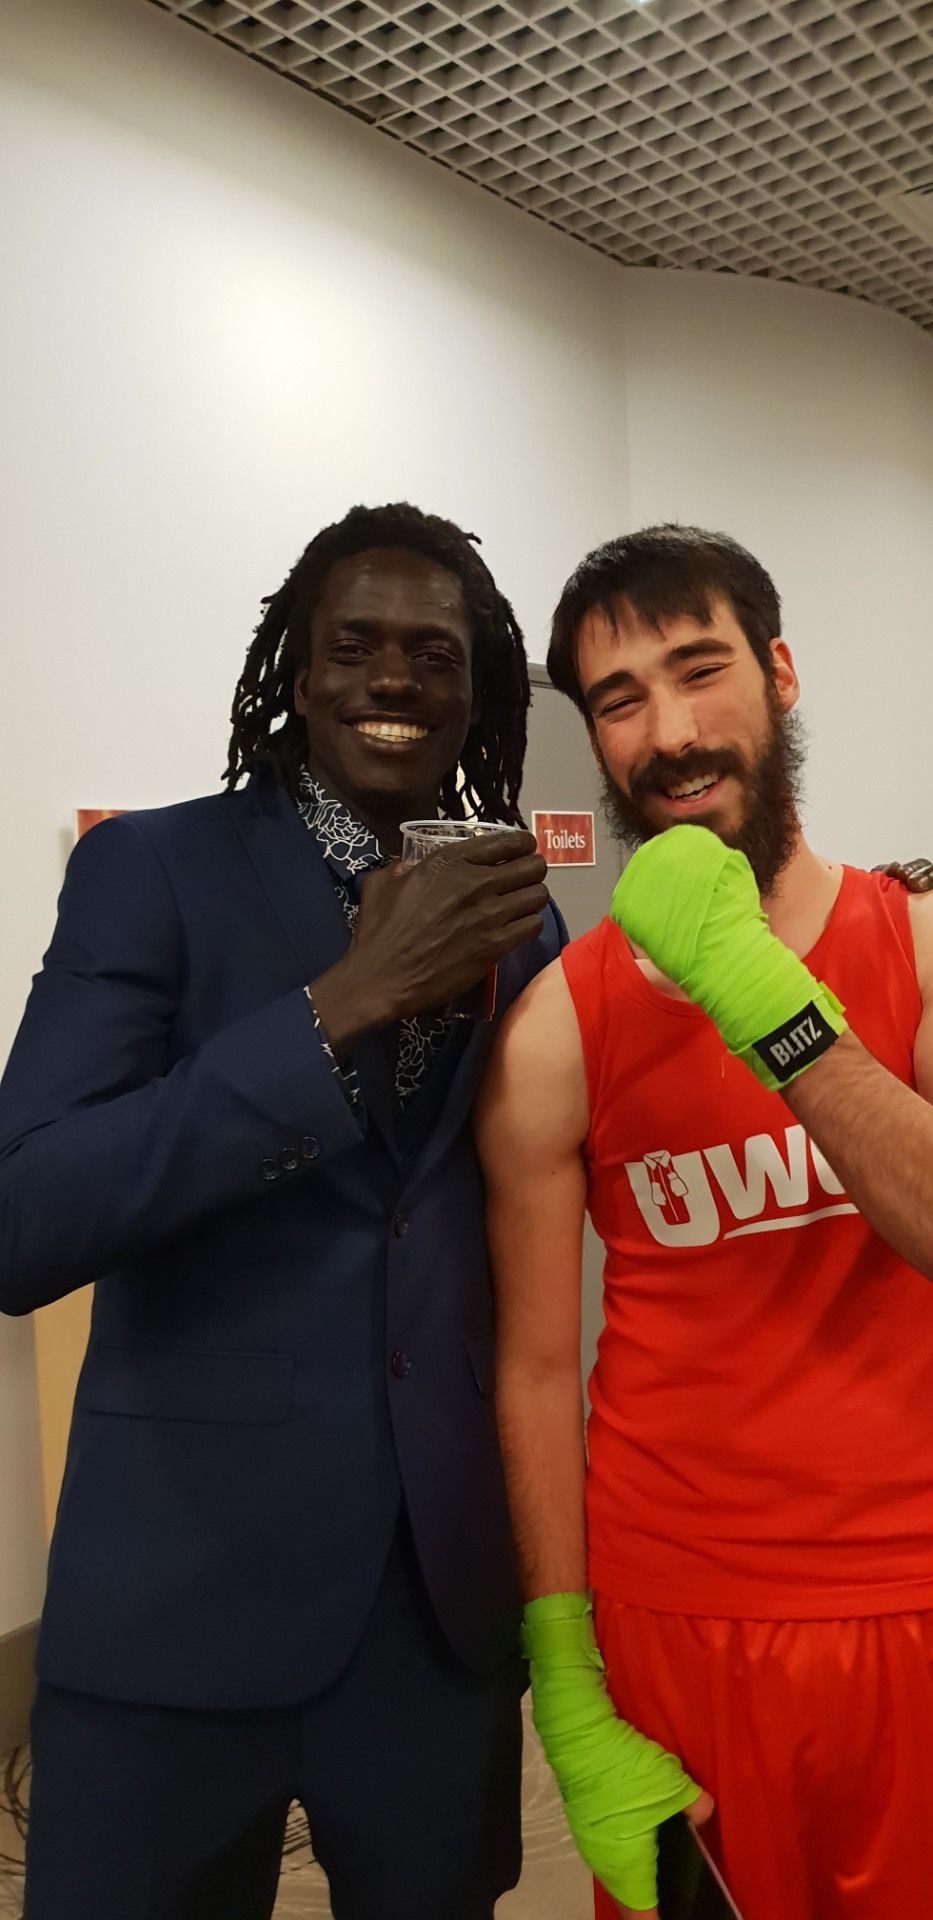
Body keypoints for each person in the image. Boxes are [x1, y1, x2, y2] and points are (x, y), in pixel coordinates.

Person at [0, 501, 565, 1920]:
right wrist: (343, 1004)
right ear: (301, 678)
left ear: (477, 690)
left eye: (434, 654)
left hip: (434, 1613)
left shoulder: (519, 915)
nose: (394, 678)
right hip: (180, 1595)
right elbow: (26, 1215)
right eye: (355, 647)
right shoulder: (154, 871)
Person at [476, 523, 933, 1920]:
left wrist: (761, 996)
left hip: (913, 1582)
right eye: (620, 699)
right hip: (673, 1607)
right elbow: (534, 1368)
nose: (670, 733)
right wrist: (563, 1679)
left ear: (777, 673)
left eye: (699, 669)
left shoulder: (915, 946)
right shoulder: (558, 1027)